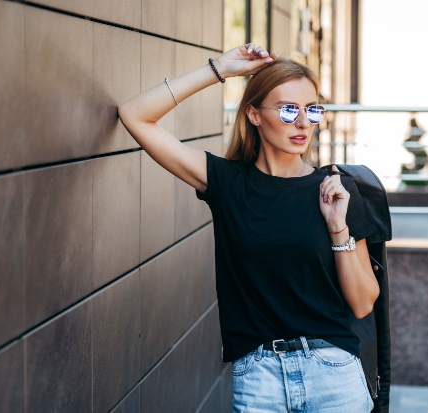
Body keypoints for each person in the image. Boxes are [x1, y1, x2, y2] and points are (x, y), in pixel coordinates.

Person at [119, 43, 380, 412]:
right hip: (259, 380)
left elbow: (362, 302)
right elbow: (134, 115)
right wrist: (219, 69)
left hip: (333, 374)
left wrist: (338, 228)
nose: (303, 122)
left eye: (311, 109)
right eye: (289, 109)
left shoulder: (336, 190)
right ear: (254, 114)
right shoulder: (226, 183)